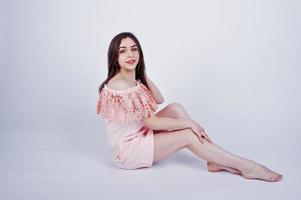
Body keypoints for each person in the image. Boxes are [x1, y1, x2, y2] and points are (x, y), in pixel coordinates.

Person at [96, 32, 283, 182]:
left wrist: (142, 73)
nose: (130, 54)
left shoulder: (131, 77)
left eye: (134, 49)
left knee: (176, 108)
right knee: (187, 134)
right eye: (122, 51)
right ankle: (248, 167)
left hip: (140, 134)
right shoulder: (121, 85)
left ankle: (213, 159)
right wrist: (189, 123)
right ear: (114, 56)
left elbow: (160, 99)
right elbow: (152, 123)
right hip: (129, 151)